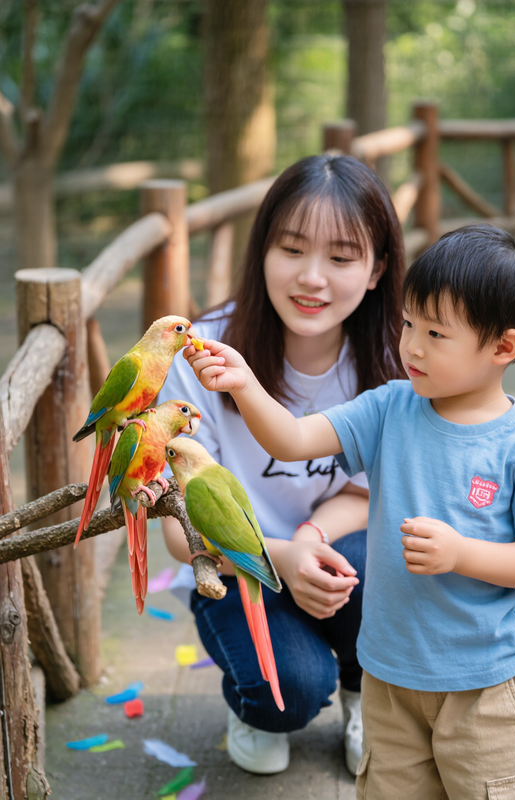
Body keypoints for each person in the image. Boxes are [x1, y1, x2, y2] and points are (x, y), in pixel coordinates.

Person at [186, 224, 515, 799]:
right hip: (389, 677)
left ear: (503, 348)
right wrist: (245, 386)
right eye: (409, 324)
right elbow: (292, 439)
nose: (411, 346)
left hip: (486, 682)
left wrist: (461, 554)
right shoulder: (390, 407)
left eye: (435, 333)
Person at [158, 154, 406, 776]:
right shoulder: (199, 357)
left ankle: (365, 690)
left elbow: (369, 492)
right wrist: (281, 559)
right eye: (292, 249)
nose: (311, 278)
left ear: (377, 269)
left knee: (388, 564)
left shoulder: (394, 360)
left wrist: (310, 539)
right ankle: (258, 704)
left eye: (341, 258)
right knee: (287, 691)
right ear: (263, 249)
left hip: (331, 548)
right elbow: (178, 533)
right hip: (235, 566)